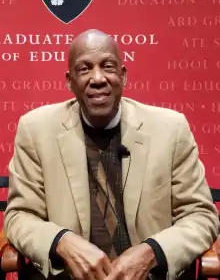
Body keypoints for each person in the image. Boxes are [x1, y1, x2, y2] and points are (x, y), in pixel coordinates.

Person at [4, 29, 219, 280]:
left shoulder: (170, 129)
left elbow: (201, 215)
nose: (97, 78)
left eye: (107, 66)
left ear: (123, 75)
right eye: (84, 69)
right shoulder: (36, 129)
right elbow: (20, 216)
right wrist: (62, 241)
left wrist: (152, 252)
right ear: (69, 80)